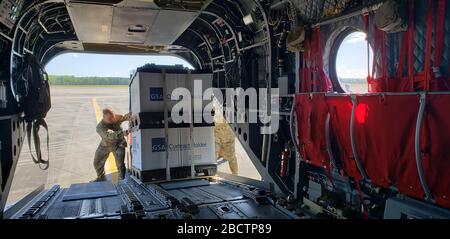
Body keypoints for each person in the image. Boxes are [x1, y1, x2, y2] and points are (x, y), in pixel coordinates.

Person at [91, 108, 131, 182]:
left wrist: (128, 116)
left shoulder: (116, 117)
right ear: (104, 118)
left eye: (113, 116)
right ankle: (101, 177)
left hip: (119, 144)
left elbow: (123, 117)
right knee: (97, 162)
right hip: (106, 145)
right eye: (109, 118)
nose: (112, 119)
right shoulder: (100, 127)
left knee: (120, 164)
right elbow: (109, 135)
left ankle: (121, 179)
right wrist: (122, 133)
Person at [214, 103, 238, 175]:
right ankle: (214, 173)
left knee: (231, 157)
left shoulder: (229, 104)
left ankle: (235, 175)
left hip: (228, 136)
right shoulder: (215, 102)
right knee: (214, 155)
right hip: (217, 135)